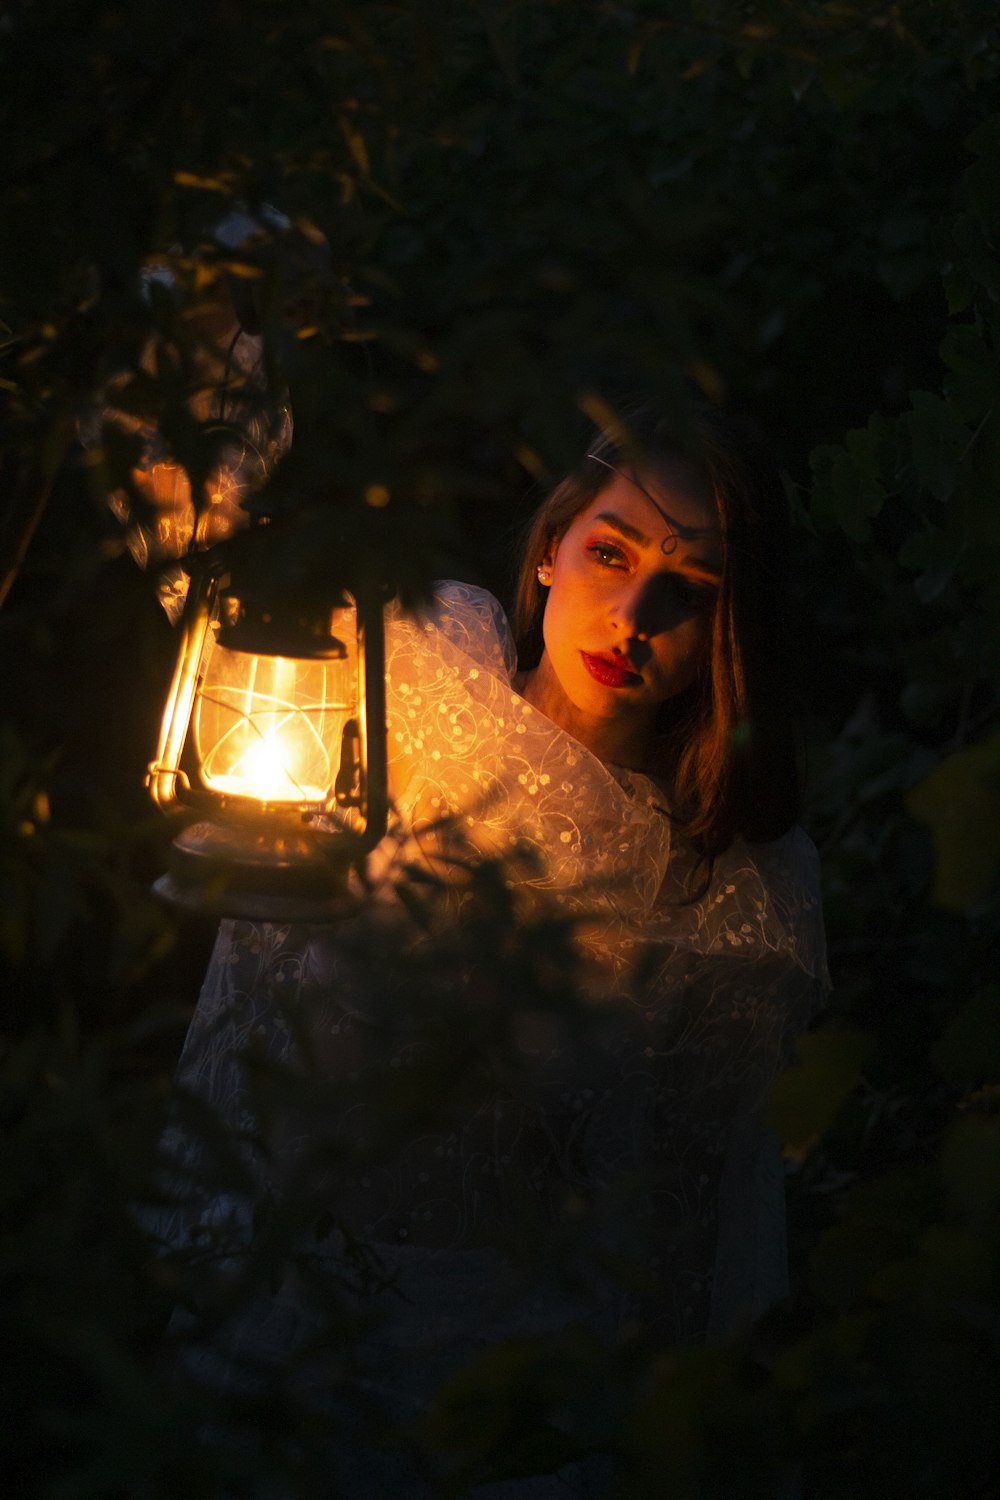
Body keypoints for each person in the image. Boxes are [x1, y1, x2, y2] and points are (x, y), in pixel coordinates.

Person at [155, 402, 828, 1496]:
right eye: (610, 552)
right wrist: (217, 326)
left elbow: (684, 1241)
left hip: (519, 1405)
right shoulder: (416, 688)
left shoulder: (724, 890)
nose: (636, 613)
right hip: (292, 1329)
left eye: (690, 589)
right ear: (552, 549)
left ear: (730, 627)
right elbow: (200, 558)